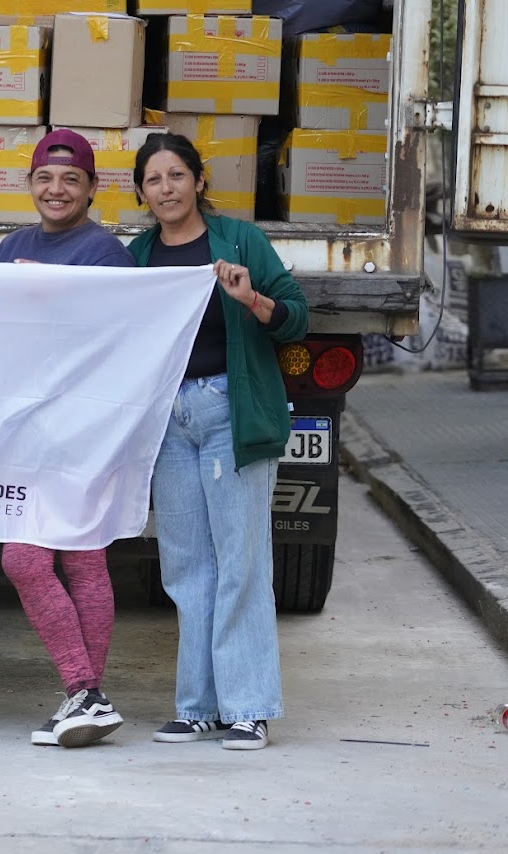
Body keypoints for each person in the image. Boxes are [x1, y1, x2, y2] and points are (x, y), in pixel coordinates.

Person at [126, 133, 308, 751]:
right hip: (168, 422)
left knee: (242, 561)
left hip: (230, 409)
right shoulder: (140, 253)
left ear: (200, 181)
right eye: (154, 179)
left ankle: (249, 706)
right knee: (185, 566)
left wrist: (250, 297)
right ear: (142, 193)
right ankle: (198, 705)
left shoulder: (239, 242)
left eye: (177, 175)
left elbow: (296, 314)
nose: (167, 188)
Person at [0, 129, 136, 748]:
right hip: (24, 430)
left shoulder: (106, 253)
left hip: (85, 431)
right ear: (29, 184)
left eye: (70, 179)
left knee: (57, 558)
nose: (56, 189)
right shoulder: (11, 245)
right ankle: (88, 700)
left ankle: (83, 692)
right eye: (45, 178)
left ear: (92, 188)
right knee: (49, 560)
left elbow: (116, 336)